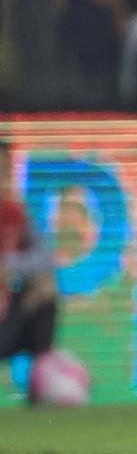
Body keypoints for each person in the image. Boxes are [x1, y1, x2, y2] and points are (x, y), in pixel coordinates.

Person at [0, 140, 59, 392]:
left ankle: (42, 384)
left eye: (6, 169)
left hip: (5, 308)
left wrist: (8, 263)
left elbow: (44, 257)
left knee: (45, 287)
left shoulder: (13, 212)